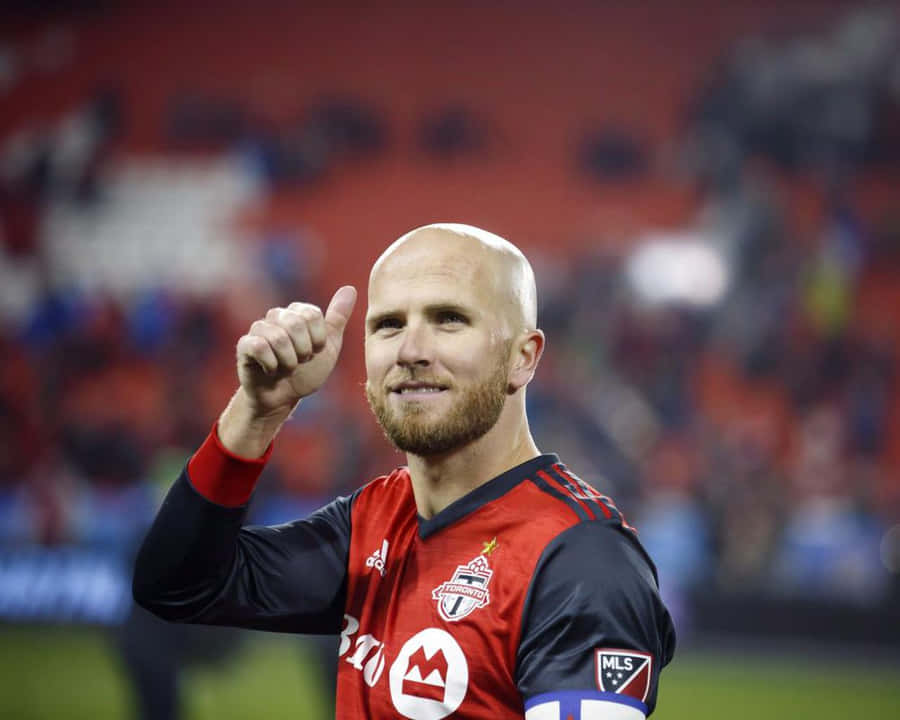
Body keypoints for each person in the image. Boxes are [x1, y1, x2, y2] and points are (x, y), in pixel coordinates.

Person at [133, 223, 676, 719]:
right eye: (389, 325)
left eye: (449, 320)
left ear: (523, 357)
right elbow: (178, 587)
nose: (411, 350)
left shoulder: (580, 561)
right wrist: (256, 414)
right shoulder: (371, 521)